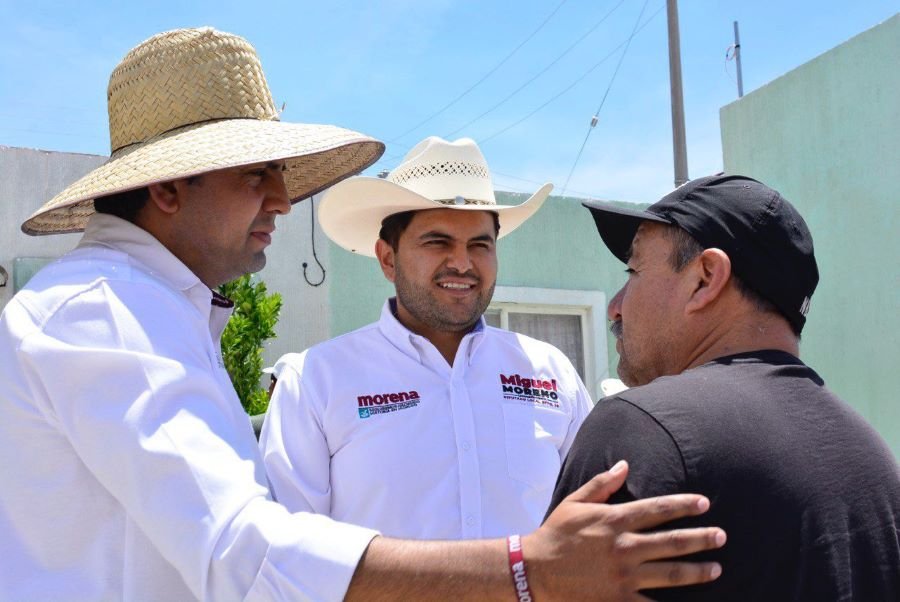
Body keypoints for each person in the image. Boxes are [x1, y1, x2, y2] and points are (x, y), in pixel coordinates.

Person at [0, 27, 725, 602]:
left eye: (480, 242)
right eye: (257, 174)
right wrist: (527, 569)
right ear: (167, 190)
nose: (282, 201)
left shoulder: (143, 311)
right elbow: (246, 554)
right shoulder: (108, 314)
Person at [547, 174, 900, 600]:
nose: (616, 305)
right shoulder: (873, 460)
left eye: (634, 269)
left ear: (705, 278)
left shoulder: (641, 428)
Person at [260, 136, 592, 539]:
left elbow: (591, 524)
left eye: (480, 245)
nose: (462, 263)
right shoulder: (315, 381)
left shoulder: (551, 372)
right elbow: (287, 553)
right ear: (387, 258)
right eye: (438, 242)